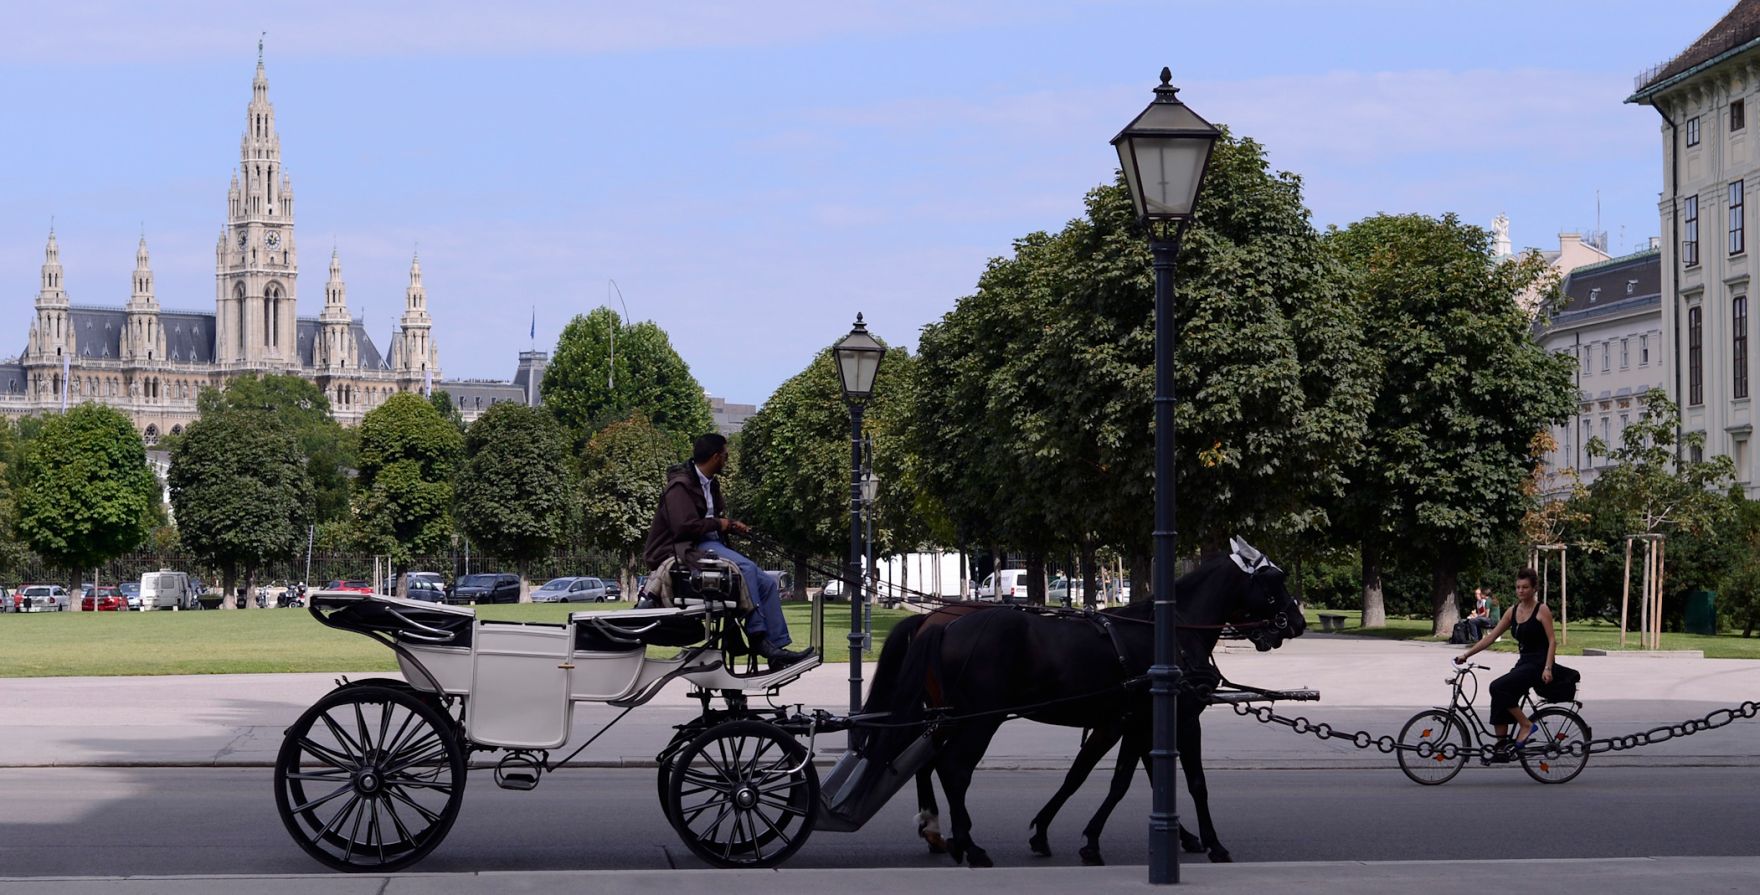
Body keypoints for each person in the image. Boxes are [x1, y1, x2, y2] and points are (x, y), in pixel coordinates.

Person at [642, 433, 809, 669]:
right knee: (745, 568)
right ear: (715, 456)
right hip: (687, 546)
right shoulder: (679, 487)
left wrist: (729, 524)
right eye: (726, 455)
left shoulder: (710, 483)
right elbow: (683, 528)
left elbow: (711, 519)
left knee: (768, 583)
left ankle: (777, 649)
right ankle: (758, 637)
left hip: (710, 541)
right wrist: (721, 525)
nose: (727, 460)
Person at [1455, 568, 1555, 761]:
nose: (1521, 591)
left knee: (1497, 687)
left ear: (1534, 588)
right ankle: (1502, 747)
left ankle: (1526, 725)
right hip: (1524, 662)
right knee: (1500, 697)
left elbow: (1552, 641)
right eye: (1518, 587)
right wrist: (1466, 654)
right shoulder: (1513, 610)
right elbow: (1491, 637)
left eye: (1525, 587)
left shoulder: (1541, 610)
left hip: (1538, 664)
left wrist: (1548, 667)